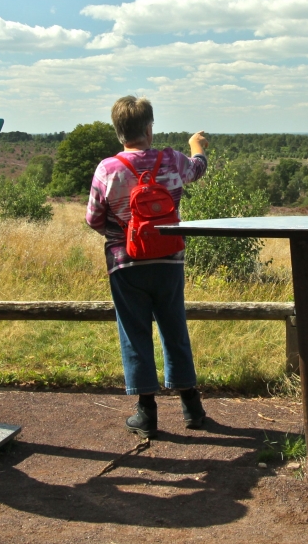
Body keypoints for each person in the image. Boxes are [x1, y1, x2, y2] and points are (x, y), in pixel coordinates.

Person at [86, 96, 210, 437]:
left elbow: (93, 217)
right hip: (169, 260)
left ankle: (146, 412)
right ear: (149, 128)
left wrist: (122, 237)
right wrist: (197, 146)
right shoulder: (171, 160)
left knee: (134, 333)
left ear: (118, 131)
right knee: (174, 327)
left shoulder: (107, 169)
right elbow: (197, 170)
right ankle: (192, 407)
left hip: (125, 264)